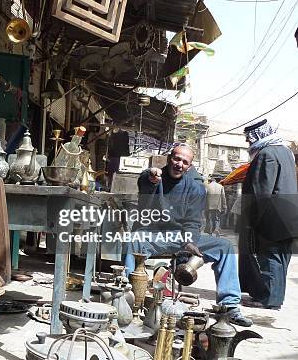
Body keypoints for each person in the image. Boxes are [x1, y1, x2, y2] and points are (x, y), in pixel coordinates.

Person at [124, 143, 252, 327]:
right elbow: (145, 181)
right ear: (169, 159)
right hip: (156, 235)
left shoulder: (196, 187)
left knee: (225, 247)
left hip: (183, 237)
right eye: (176, 158)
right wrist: (150, 178)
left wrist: (189, 242)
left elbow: (192, 221)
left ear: (189, 166)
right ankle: (128, 296)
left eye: (185, 162)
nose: (179, 164)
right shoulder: (155, 177)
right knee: (134, 241)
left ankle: (230, 306)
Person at [239, 119, 298, 309]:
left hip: (272, 218)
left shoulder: (266, 154)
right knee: (281, 259)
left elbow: (261, 192)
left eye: (250, 140)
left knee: (270, 258)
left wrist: (251, 219)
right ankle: (275, 299)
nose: (250, 143)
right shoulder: (286, 152)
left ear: (258, 135)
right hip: (289, 217)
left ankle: (268, 299)